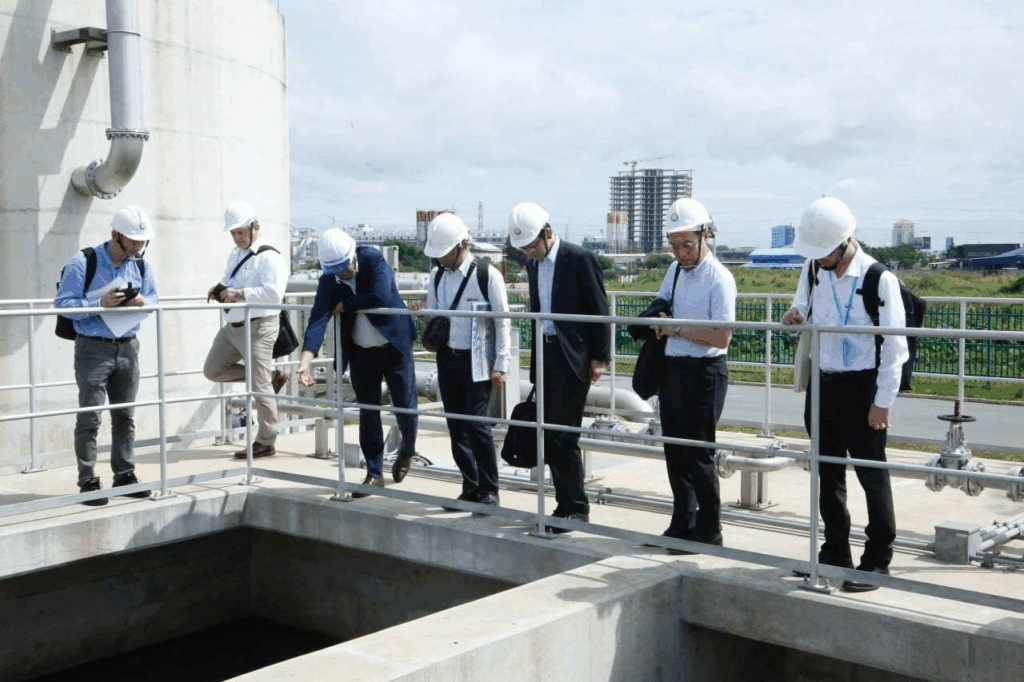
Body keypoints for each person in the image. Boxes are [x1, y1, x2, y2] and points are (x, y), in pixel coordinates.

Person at [783, 196, 908, 592]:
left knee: (872, 473)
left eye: (825, 253)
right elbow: (801, 307)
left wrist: (882, 403)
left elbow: (896, 348)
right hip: (823, 383)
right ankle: (835, 549)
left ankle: (878, 560)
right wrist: (794, 315)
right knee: (827, 471)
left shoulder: (878, 279)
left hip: (862, 386)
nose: (820, 260)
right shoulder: (813, 268)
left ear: (846, 241)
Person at [507, 202, 610, 533]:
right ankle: (565, 504)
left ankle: (575, 508)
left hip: (572, 356)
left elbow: (600, 309)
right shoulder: (533, 264)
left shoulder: (579, 259)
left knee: (564, 435)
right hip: (545, 354)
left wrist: (599, 358)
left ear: (548, 233)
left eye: (531, 246)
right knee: (550, 434)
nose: (529, 253)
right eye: (523, 249)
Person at [296, 228, 418, 496]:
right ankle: (374, 473)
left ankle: (407, 450)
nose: (342, 274)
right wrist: (305, 361)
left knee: (406, 407)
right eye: (335, 271)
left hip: (395, 345)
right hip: (362, 352)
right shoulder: (328, 280)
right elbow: (317, 319)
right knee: (368, 411)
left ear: (353, 255)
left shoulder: (372, 259)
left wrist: (344, 305)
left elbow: (380, 296)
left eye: (345, 267)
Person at [54, 206, 159, 505]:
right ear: (116, 235)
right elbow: (62, 304)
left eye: (143, 241)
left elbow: (155, 298)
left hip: (128, 346)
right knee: (90, 416)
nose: (139, 247)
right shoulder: (82, 262)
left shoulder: (140, 265)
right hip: (93, 348)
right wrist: (99, 303)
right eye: (134, 241)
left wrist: (142, 302)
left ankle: (124, 475)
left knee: (125, 415)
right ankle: (88, 481)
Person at [409, 213, 511, 510]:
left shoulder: (488, 275)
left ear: (463, 245)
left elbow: (502, 322)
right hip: (447, 358)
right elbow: (436, 315)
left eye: (444, 252)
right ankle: (470, 487)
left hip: (478, 359)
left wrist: (501, 364)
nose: (440, 259)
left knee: (478, 426)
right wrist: (421, 312)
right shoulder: (437, 275)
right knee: (456, 427)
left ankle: (489, 490)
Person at [651, 198, 736, 552]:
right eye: (674, 246)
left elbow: (722, 336)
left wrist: (676, 329)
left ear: (706, 236)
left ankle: (710, 527)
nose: (681, 253)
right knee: (675, 450)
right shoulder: (674, 271)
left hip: (705, 372)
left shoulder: (720, 278)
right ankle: (682, 521)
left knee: (699, 453)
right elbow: (660, 305)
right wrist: (657, 319)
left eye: (687, 244)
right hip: (674, 369)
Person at [203, 200, 290, 459]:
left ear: (255, 226)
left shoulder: (270, 257)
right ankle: (270, 377)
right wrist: (219, 288)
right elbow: (229, 281)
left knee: (260, 385)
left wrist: (238, 293)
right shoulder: (236, 254)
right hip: (235, 323)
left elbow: (274, 294)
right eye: (233, 233)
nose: (237, 237)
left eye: (240, 232)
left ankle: (266, 441)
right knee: (213, 370)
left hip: (260, 325)